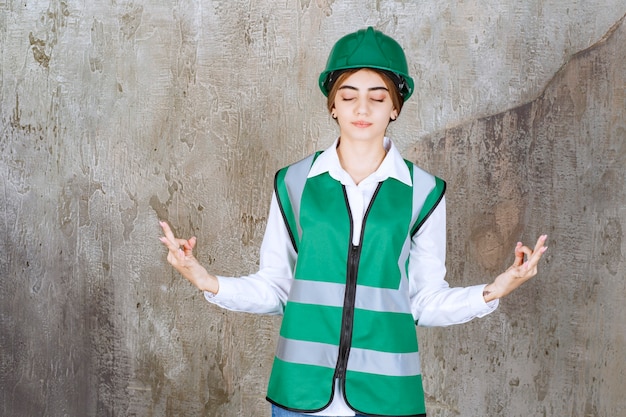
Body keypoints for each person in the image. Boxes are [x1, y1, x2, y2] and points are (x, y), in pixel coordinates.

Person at [159, 27, 548, 417]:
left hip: (388, 395)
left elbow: (423, 302)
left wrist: (496, 288)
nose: (362, 109)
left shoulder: (424, 192)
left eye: (377, 97)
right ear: (333, 105)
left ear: (395, 106)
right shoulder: (293, 183)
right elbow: (277, 288)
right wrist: (206, 280)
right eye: (348, 96)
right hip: (300, 393)